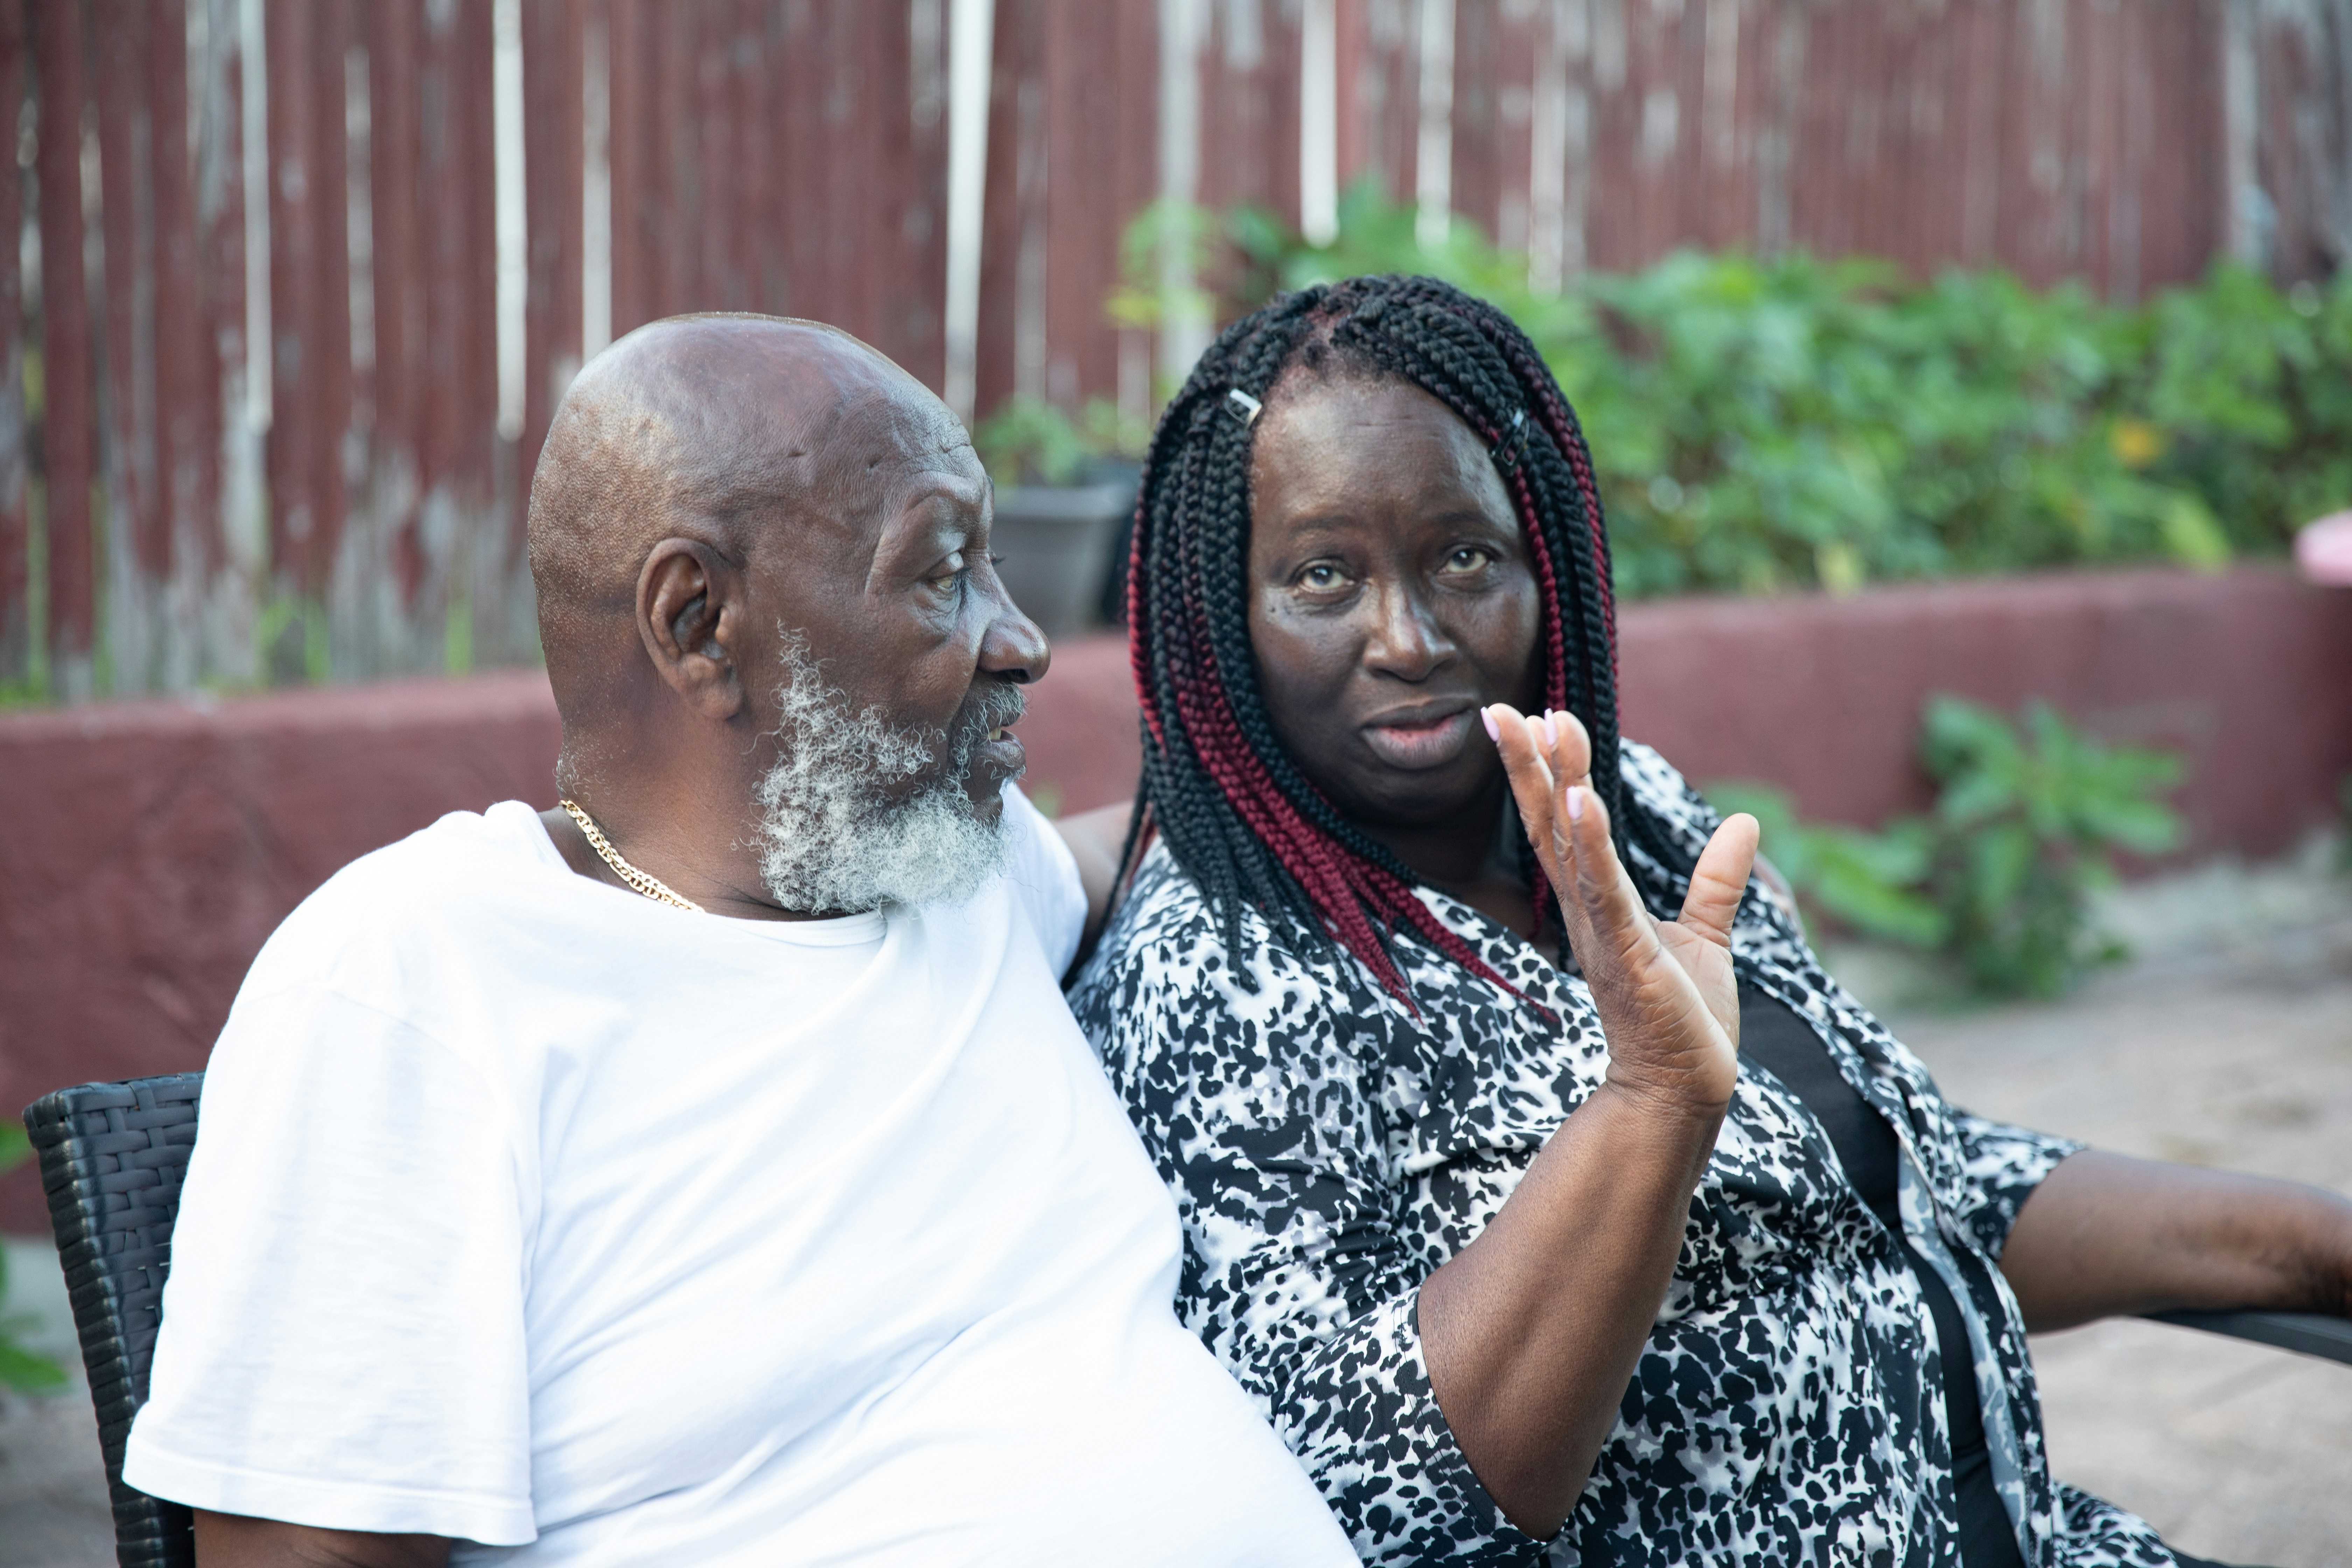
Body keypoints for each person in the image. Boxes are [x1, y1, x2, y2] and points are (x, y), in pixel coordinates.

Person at [1069, 275, 2352, 1568]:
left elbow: (1897, 1183)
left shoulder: (1630, 817)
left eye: (1464, 557)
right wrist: (1652, 1106)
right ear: (1216, 621)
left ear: (1549, 566)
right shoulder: (1219, 978)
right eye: (1321, 577)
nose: (1407, 637)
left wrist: (2303, 1243)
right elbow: (1374, 1494)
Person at [121, 316, 1359, 1568]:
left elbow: (1125, 856)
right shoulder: (419, 979)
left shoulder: (936, 865)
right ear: (700, 623)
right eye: (942, 575)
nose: (1023, 640)